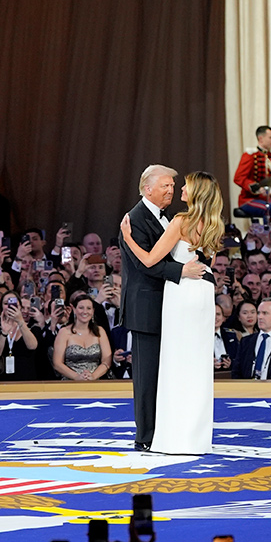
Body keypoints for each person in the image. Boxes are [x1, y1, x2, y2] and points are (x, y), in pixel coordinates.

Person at [119, 168, 219, 455]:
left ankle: (166, 434)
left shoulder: (179, 220)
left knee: (176, 367)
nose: (173, 190)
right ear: (147, 188)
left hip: (179, 298)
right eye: (166, 185)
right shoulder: (138, 218)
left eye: (177, 186)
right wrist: (183, 269)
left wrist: (128, 239)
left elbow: (149, 259)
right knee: (183, 367)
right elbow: (143, 267)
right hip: (174, 300)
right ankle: (157, 434)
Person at [52, 294, 112, 382]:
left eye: (88, 308)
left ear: (93, 311)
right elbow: (57, 363)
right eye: (81, 308)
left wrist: (93, 376)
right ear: (74, 310)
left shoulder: (100, 331)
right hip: (70, 383)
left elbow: (107, 361)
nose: (85, 311)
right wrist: (77, 377)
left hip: (95, 383)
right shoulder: (64, 332)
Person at [232, 125, 271, 219]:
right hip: (248, 199)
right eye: (270, 138)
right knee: (269, 208)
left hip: (266, 199)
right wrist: (255, 187)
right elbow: (238, 178)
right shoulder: (250, 155)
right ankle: (268, 232)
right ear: (261, 138)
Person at [0, 293, 41, 380]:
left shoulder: (32, 327)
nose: (10, 306)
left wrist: (20, 321)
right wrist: (4, 333)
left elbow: (32, 346)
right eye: (6, 303)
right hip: (3, 378)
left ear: (20, 307)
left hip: (27, 377)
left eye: (13, 303)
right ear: (2, 307)